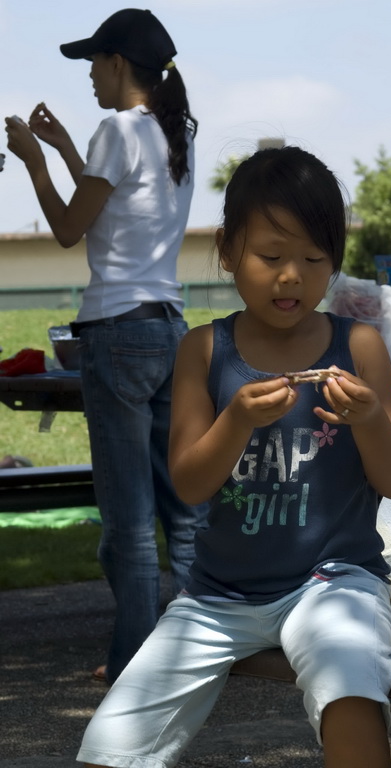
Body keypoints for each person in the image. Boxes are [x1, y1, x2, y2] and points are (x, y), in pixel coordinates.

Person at [76, 146, 391, 768]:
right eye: (271, 256)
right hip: (216, 596)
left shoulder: (359, 346)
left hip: (333, 582)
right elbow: (190, 483)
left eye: (314, 259)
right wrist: (235, 420)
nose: (292, 276)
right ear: (229, 251)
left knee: (350, 690)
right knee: (110, 743)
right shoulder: (204, 350)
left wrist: (369, 419)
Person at [4, 8, 208, 684]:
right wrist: (67, 148)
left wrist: (35, 161)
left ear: (119, 63)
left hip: (117, 335)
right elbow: (117, 208)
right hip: (169, 331)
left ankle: (136, 668)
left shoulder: (117, 129)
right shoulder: (174, 132)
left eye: (94, 61)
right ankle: (196, 652)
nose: (89, 74)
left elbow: (70, 228)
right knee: (181, 512)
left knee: (128, 522)